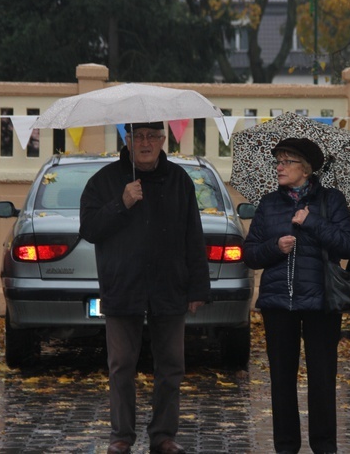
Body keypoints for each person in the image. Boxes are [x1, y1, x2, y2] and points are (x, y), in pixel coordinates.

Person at [79, 122, 210, 454]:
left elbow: (193, 235)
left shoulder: (179, 180)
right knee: (121, 364)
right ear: (127, 140)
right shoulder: (105, 181)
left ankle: (164, 435)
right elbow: (90, 229)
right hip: (124, 286)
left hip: (170, 286)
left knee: (171, 365)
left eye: (153, 136)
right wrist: (121, 203)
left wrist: (197, 287)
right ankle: (121, 435)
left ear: (164, 140)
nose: (146, 143)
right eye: (139, 137)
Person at [243, 138, 350, 454]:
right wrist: (274, 248)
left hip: (322, 302)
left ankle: (324, 446)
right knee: (281, 381)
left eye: (286, 161)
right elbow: (250, 254)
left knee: (322, 379)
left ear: (305, 169)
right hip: (278, 303)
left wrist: (313, 222)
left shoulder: (332, 201)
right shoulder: (268, 204)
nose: (278, 167)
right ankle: (286, 447)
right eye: (277, 161)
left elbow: (348, 245)